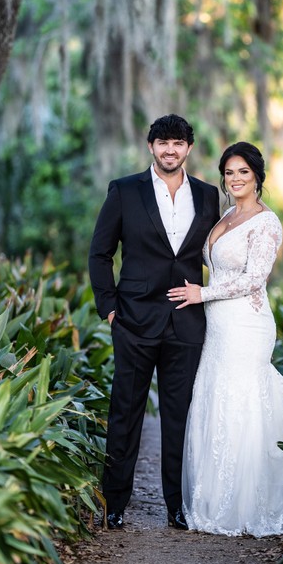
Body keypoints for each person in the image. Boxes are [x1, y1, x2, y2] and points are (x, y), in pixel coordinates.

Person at [88, 114, 220, 530]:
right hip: (134, 320)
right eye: (162, 142)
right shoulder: (125, 191)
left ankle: (177, 507)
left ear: (188, 149)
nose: (170, 150)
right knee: (126, 411)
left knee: (179, 418)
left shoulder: (207, 195)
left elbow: (214, 256)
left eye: (178, 143)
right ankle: (115, 503)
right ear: (151, 147)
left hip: (187, 324)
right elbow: (100, 254)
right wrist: (109, 308)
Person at [168, 142, 283, 537]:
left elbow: (253, 278)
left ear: (257, 176)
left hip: (247, 324)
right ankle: (213, 500)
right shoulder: (226, 215)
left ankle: (248, 505)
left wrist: (202, 293)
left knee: (242, 398)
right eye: (229, 172)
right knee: (215, 395)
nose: (235, 179)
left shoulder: (267, 222)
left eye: (243, 171)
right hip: (218, 325)